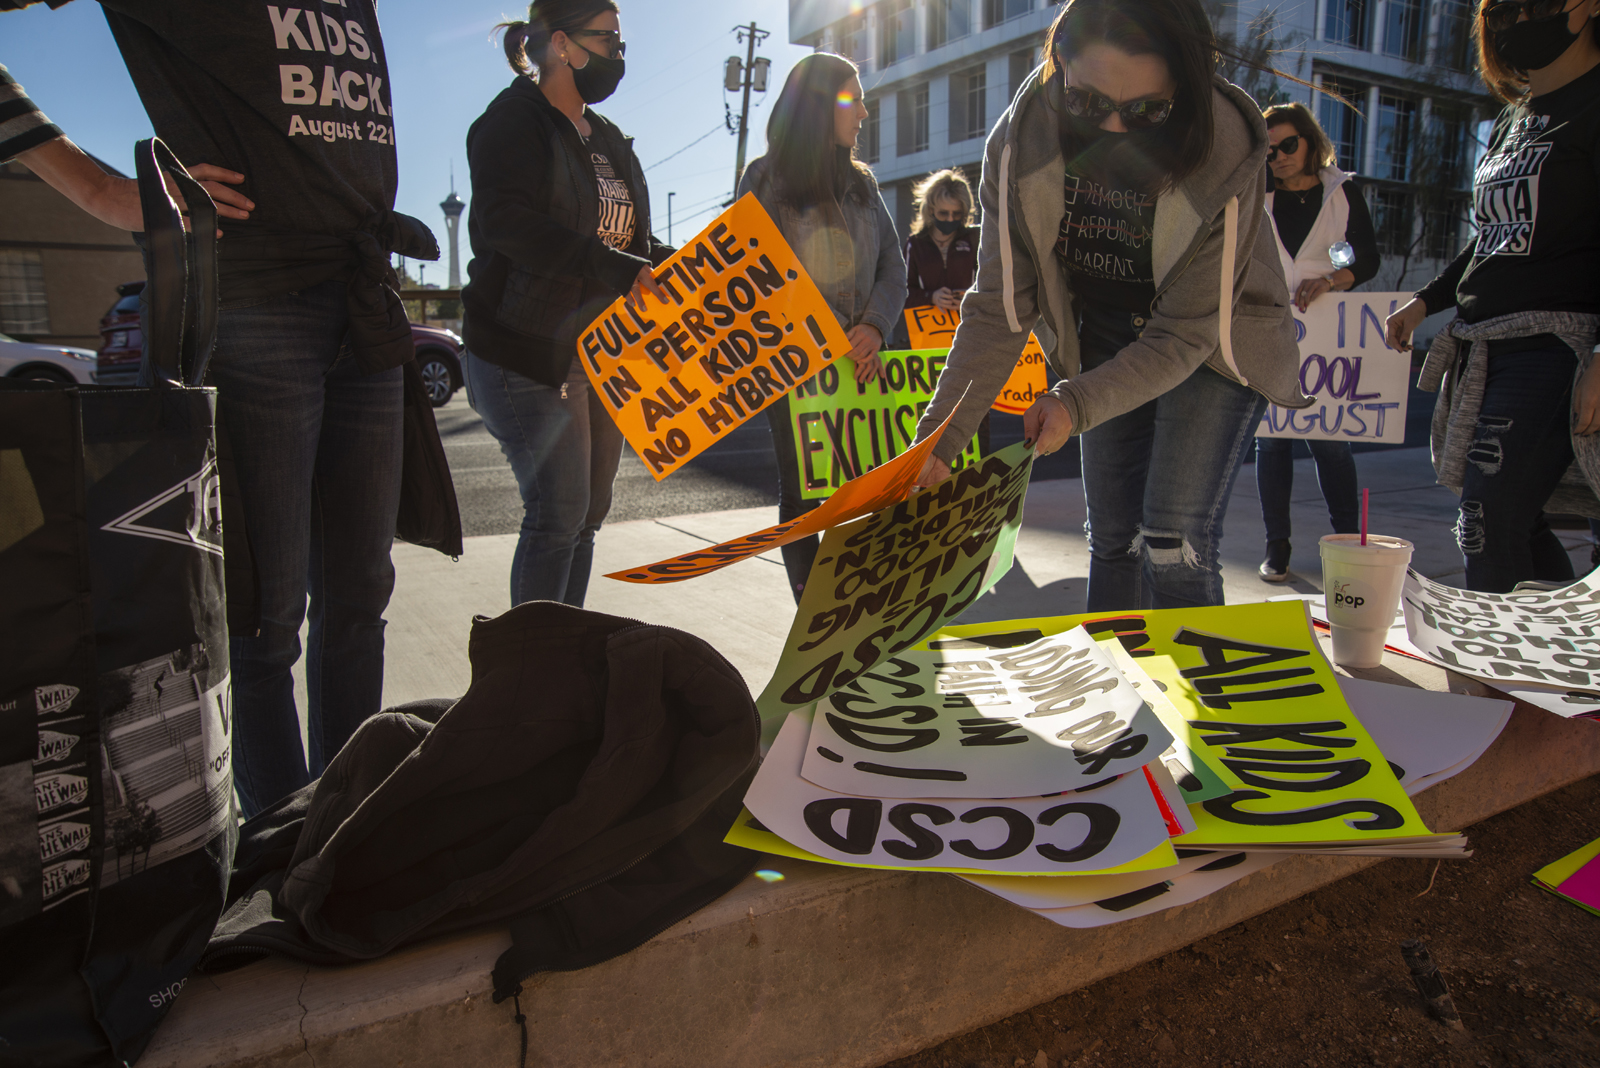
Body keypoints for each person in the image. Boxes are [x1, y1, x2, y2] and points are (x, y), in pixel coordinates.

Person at [3, 2, 442, 820]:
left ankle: (350, 821)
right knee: (266, 618)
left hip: (365, 296)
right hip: (255, 303)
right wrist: (101, 189)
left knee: (359, 598)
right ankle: (280, 840)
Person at [911, 0, 1310, 612]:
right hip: (1102, 329)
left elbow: (1183, 335)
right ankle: (1115, 695)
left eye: (1148, 110)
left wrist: (1076, 400)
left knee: (1172, 538)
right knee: (1113, 538)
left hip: (1213, 344)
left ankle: (1194, 700)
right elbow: (998, 307)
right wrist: (937, 443)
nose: (1113, 130)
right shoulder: (1020, 144)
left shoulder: (1228, 144)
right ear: (1058, 64)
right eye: (1088, 104)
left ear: (1187, 86)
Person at [461, 0, 670, 610]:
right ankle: (530, 674)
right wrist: (614, 266)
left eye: (621, 42)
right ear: (560, 44)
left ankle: (565, 650)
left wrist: (689, 264)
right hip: (524, 350)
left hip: (602, 355)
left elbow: (632, 244)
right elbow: (508, 224)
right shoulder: (512, 121)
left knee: (588, 513)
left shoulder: (607, 139)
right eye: (607, 40)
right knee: (557, 511)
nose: (618, 55)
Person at [1386, 0, 1600, 593]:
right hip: (1489, 343)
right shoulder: (1515, 119)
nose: (1511, 23)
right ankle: (1548, 656)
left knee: (1486, 518)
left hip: (1556, 344)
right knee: (1513, 519)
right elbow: (1494, 238)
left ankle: (1497, 676)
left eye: (1531, 7)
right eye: (1498, 11)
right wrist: (1427, 300)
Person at [737, 52, 908, 603]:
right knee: (807, 498)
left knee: (868, 496)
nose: (863, 110)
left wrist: (876, 328)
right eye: (852, 98)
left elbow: (893, 266)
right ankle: (816, 620)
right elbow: (749, 274)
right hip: (797, 374)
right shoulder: (764, 179)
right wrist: (827, 335)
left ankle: (863, 609)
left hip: (865, 368)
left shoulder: (862, 183)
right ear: (818, 107)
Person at [1254, 101, 1380, 582]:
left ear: (1309, 141)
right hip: (1272, 331)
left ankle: (1348, 541)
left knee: (1331, 445)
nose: (1280, 157)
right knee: (1274, 445)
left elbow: (1368, 258)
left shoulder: (1342, 191)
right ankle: (1277, 547)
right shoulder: (1259, 198)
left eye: (1288, 144)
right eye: (1269, 151)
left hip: (1328, 334)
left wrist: (1334, 280)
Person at [902, 168, 991, 453]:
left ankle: (978, 473)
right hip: (928, 341)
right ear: (930, 210)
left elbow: (992, 282)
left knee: (975, 406)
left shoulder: (976, 238)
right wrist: (931, 296)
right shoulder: (916, 244)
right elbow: (901, 292)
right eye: (943, 214)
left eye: (957, 215)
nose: (950, 220)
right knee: (932, 409)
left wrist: (970, 294)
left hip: (969, 336)